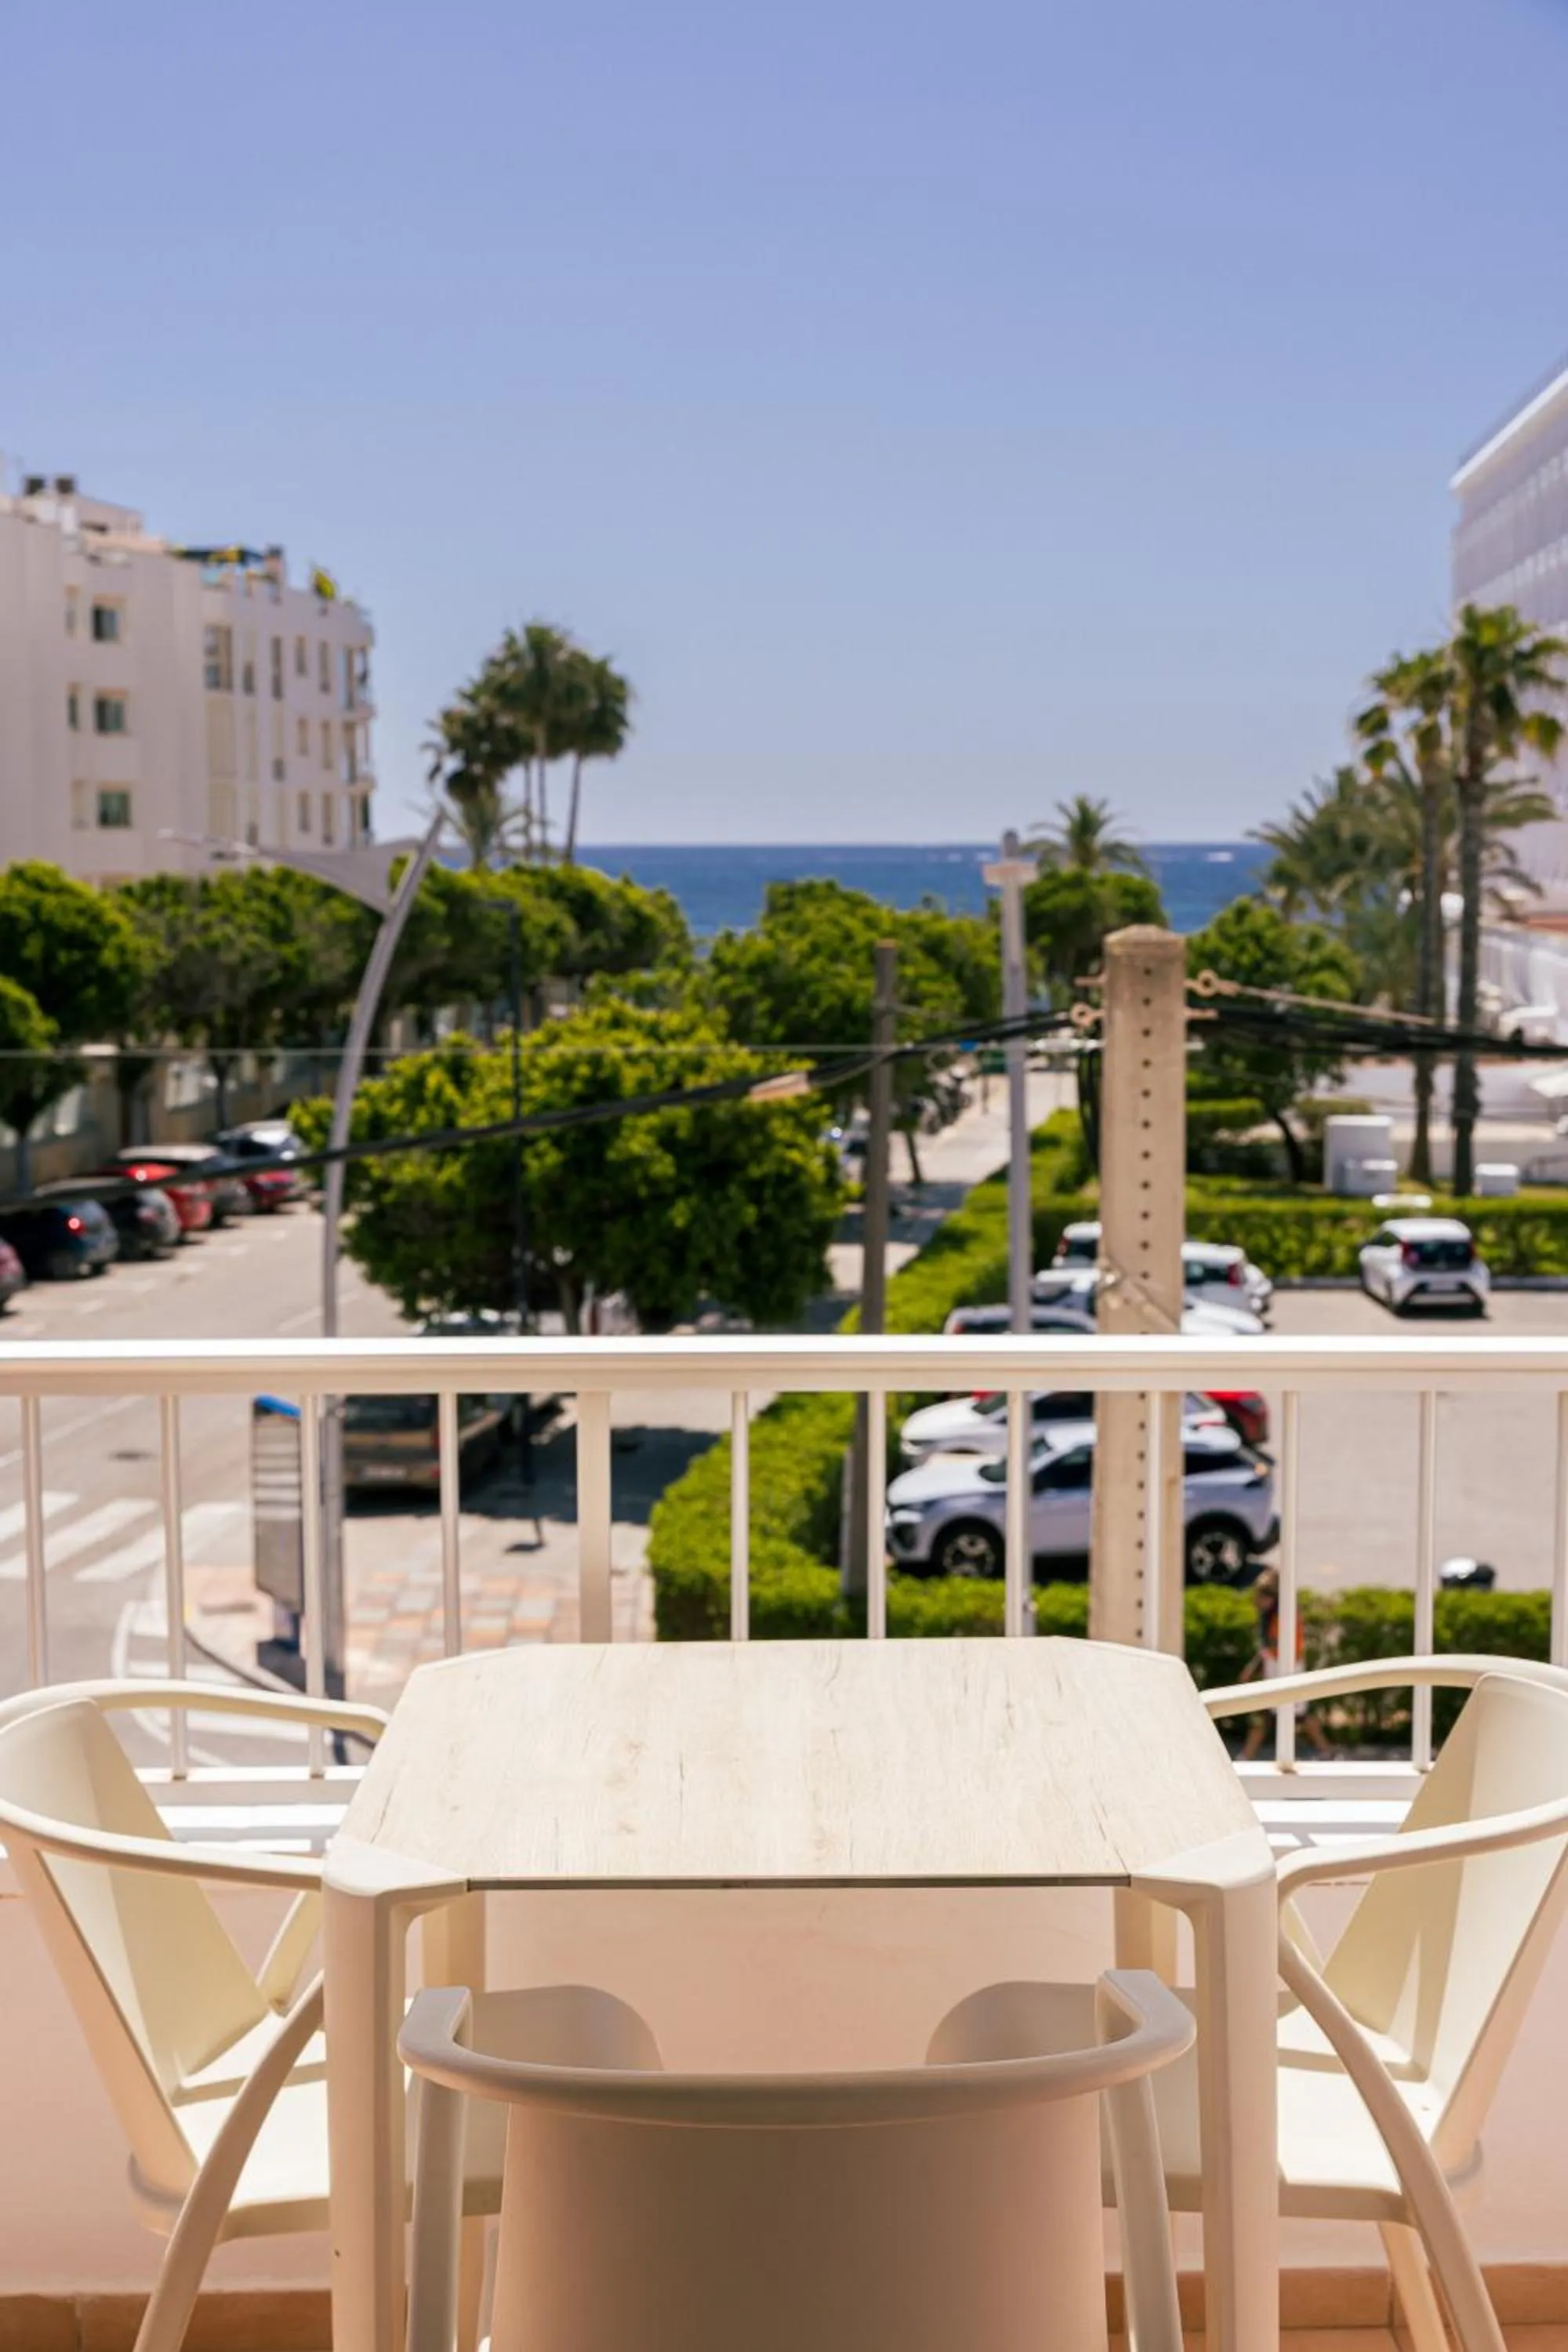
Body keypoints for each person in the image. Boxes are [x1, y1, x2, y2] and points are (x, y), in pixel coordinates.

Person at [1238, 1566, 1334, 1760]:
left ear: (1274, 1599)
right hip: (1273, 1673)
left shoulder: (1286, 1618)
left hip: (1288, 1673)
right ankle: (1246, 1756)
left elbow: (1286, 1649)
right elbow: (1266, 1649)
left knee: (1300, 1716)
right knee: (1265, 1717)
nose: (1257, 1601)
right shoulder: (1269, 1617)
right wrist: (1254, 1667)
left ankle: (1327, 1751)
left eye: (1262, 1597)